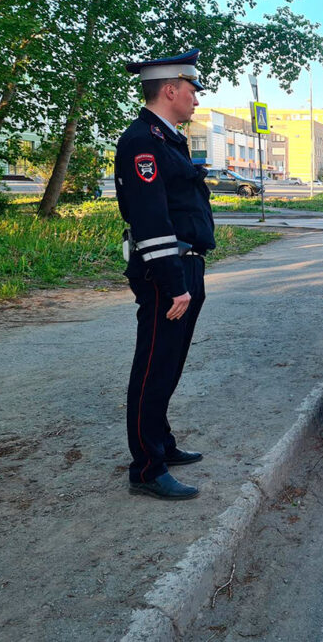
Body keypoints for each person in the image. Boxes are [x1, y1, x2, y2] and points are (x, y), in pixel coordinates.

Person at [115, 49, 215, 500]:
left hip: (185, 266)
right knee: (154, 369)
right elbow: (151, 219)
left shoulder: (169, 138)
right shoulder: (142, 141)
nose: (196, 97)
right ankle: (147, 468)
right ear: (170, 89)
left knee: (170, 366)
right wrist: (174, 284)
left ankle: (163, 443)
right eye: (192, 89)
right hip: (165, 275)